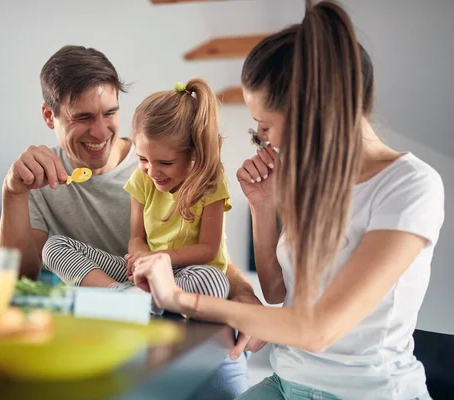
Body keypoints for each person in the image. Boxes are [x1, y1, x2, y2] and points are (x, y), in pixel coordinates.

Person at [130, 2, 445, 399]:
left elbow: (316, 330)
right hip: (287, 381)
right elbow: (280, 292)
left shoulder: (409, 186)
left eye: (265, 125)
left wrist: (181, 298)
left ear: (314, 111)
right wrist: (265, 208)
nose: (264, 140)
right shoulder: (315, 183)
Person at [0, 45, 258, 400]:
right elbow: (16, 281)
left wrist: (242, 292)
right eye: (83, 117)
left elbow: (210, 254)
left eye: (110, 112)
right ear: (49, 115)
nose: (100, 131)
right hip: (121, 333)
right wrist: (12, 193)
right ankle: (127, 300)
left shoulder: (161, 161)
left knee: (208, 283)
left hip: (195, 334)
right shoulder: (41, 179)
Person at [42, 78, 231, 301]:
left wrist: (157, 259)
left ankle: (149, 300)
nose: (152, 171)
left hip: (189, 274)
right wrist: (140, 257)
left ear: (194, 154)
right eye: (143, 159)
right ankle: (122, 294)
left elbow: (208, 250)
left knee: (214, 281)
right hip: (145, 272)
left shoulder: (210, 183)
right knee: (54, 247)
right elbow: (136, 238)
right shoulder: (141, 179)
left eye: (165, 163)